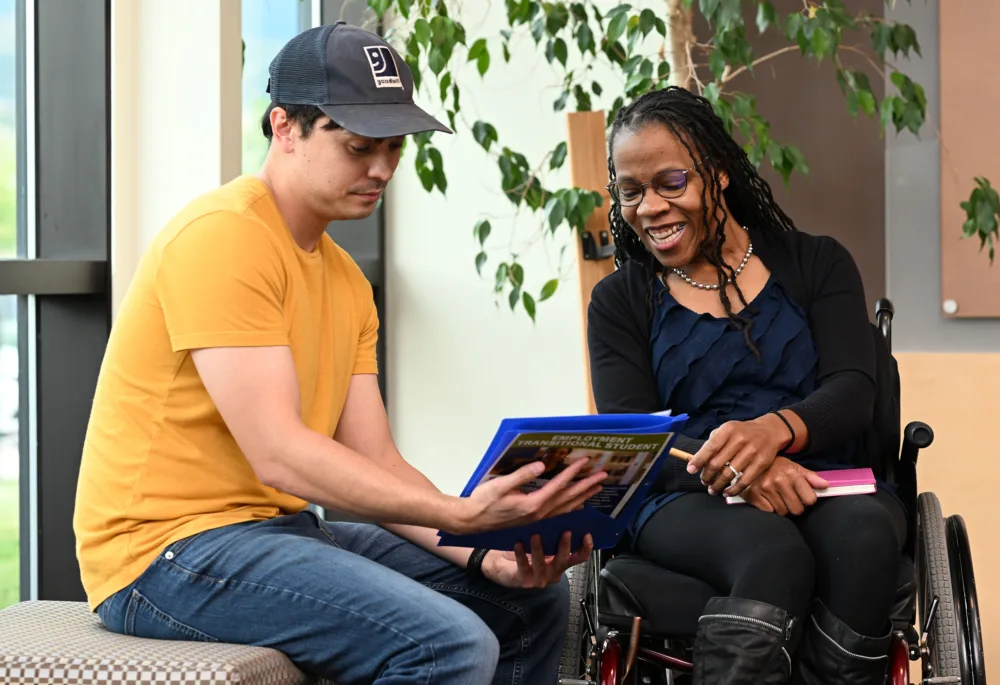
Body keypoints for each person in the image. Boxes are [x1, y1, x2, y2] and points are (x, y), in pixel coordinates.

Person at [73, 22, 605, 685]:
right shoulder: (222, 239)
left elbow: (372, 458)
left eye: (393, 148)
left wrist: (478, 551)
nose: (380, 168)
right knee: (449, 644)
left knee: (529, 602)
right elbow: (280, 450)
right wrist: (460, 513)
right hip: (161, 552)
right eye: (358, 146)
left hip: (274, 533)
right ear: (284, 128)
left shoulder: (346, 281)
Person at [587, 86, 906, 685]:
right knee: (771, 552)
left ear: (720, 174)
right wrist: (745, 468)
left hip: (825, 481)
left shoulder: (817, 264)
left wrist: (773, 434)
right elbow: (635, 437)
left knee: (864, 539)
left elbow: (854, 390)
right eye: (630, 191)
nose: (648, 207)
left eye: (670, 183)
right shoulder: (621, 301)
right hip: (682, 494)